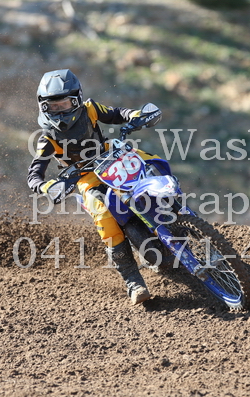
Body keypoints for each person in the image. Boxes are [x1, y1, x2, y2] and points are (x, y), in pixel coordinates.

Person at [27, 69, 162, 305]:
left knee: (153, 162)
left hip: (112, 155)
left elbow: (117, 114)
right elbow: (34, 175)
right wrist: (48, 187)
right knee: (103, 215)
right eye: (54, 106)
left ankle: (183, 216)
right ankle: (133, 281)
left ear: (77, 99)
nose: (61, 111)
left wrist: (137, 115)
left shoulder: (90, 109)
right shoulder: (46, 138)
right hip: (85, 176)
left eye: (65, 104)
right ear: (43, 106)